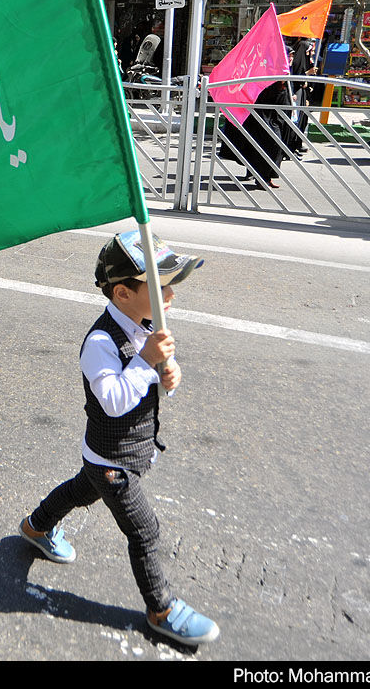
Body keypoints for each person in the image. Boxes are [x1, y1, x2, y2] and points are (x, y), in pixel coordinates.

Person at [17, 231, 219, 647]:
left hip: (109, 455)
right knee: (145, 533)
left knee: (79, 491)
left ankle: (36, 527)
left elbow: (154, 377)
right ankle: (162, 609)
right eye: (160, 287)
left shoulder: (147, 327)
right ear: (123, 293)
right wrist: (147, 361)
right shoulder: (100, 342)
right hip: (114, 462)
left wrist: (167, 376)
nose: (170, 296)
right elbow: (112, 402)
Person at [224, 80, 294, 189]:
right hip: (264, 117)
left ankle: (266, 178)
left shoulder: (283, 79)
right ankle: (261, 178)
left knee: (275, 148)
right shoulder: (264, 79)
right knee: (267, 146)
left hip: (277, 116)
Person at [289, 38, 317, 145]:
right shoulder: (296, 63)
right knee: (295, 119)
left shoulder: (306, 61)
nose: (311, 54)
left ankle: (297, 143)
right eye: (310, 51)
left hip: (303, 93)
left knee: (302, 120)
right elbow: (296, 77)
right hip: (297, 93)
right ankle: (291, 144)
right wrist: (307, 73)